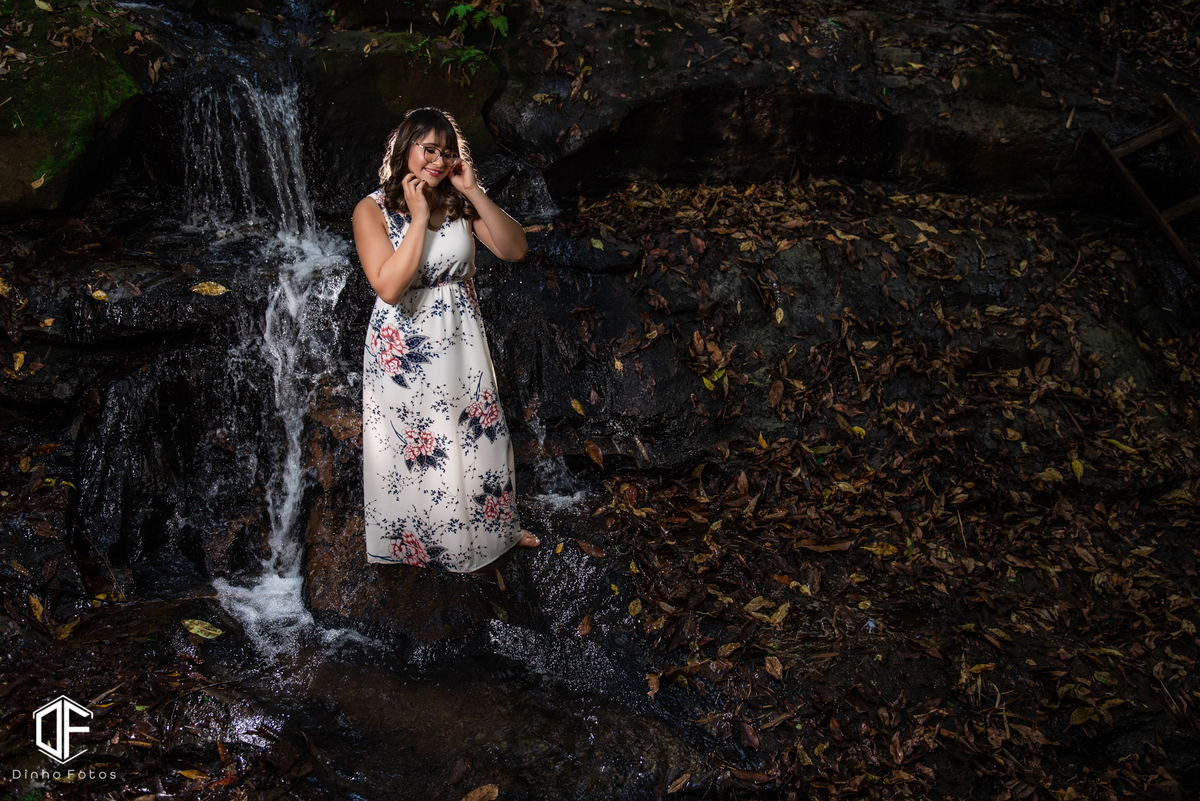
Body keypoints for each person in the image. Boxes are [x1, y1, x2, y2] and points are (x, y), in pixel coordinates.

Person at [352, 107, 539, 570]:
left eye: (447, 152)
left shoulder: (459, 202)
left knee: (477, 436)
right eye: (429, 150)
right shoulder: (371, 210)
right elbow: (389, 287)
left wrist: (473, 190)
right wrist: (417, 219)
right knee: (418, 446)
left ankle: (495, 533)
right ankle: (420, 548)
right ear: (406, 149)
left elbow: (515, 249)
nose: (438, 161)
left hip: (460, 339)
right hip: (404, 348)